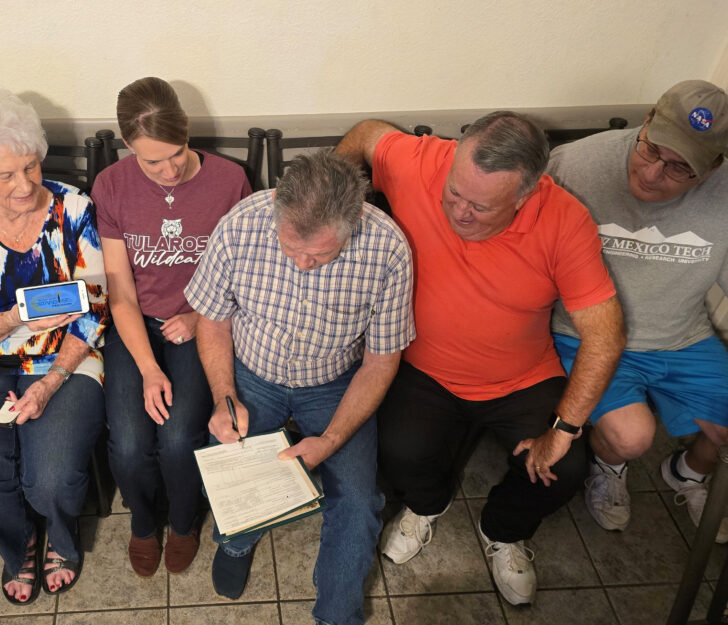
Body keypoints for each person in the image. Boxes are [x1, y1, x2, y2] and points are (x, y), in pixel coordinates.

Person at [335, 111, 625, 605]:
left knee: (563, 471)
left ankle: (504, 531)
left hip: (521, 377)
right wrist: (334, 198)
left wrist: (563, 431)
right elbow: (365, 134)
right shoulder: (423, 162)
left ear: (526, 195)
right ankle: (428, 505)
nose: (460, 213)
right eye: (454, 194)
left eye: (481, 206)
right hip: (422, 365)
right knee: (395, 451)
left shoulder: (565, 219)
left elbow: (605, 336)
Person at [185, 150, 414, 625]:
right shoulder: (241, 224)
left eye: (321, 255)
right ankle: (237, 542)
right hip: (252, 371)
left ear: (353, 224)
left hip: (335, 380)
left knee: (358, 502)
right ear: (278, 211)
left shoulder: (388, 247)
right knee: (228, 467)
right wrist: (225, 397)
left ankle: (336, 615)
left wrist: (330, 440)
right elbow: (214, 320)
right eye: (291, 248)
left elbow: (380, 361)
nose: (304, 264)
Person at [0, 90, 108, 602]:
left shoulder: (74, 208)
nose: (25, 185)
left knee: (51, 478)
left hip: (64, 354)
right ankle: (19, 544)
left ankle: (63, 540)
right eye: (6, 175)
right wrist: (17, 317)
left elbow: (94, 309)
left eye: (30, 166)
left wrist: (51, 382)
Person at [548, 80, 728, 540]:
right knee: (631, 436)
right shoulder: (573, 165)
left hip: (682, 336)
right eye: (651, 150)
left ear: (714, 167)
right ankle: (609, 468)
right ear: (647, 120)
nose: (652, 174)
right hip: (584, 334)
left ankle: (687, 472)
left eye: (680, 167)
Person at [92, 77, 252, 577]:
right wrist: (147, 369)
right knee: (129, 442)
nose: (169, 170)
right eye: (152, 162)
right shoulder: (111, 186)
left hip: (204, 320)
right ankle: (143, 523)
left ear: (187, 133)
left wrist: (199, 315)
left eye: (177, 153)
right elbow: (120, 292)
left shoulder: (229, 181)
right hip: (134, 323)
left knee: (180, 437)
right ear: (128, 146)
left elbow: (246, 271)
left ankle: (183, 522)